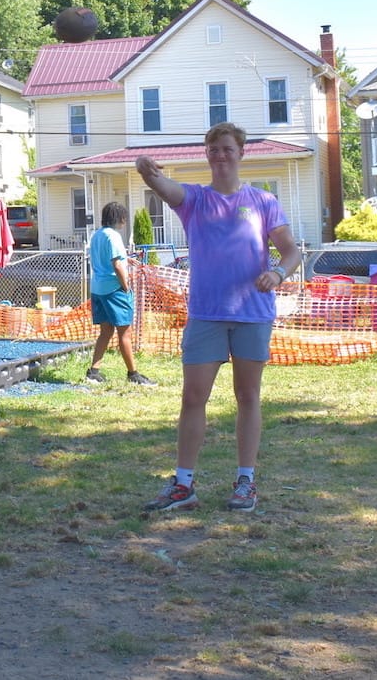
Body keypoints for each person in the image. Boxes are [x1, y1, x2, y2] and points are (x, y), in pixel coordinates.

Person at [135, 122, 301, 512]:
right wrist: (147, 171)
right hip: (206, 314)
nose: (220, 155)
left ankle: (246, 481)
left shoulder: (263, 201)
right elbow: (165, 187)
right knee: (193, 397)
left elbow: (291, 251)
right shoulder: (195, 200)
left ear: (241, 153)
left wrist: (277, 273)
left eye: (227, 148)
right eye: (213, 149)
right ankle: (183, 485)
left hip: (252, 313)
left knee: (247, 396)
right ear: (207, 155)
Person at [86, 201, 155, 386]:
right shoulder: (113, 236)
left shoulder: (96, 235)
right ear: (119, 218)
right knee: (125, 332)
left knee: (105, 332)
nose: (125, 221)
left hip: (97, 289)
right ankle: (133, 374)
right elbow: (117, 264)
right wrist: (125, 286)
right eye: (124, 218)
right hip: (114, 289)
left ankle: (94, 371)